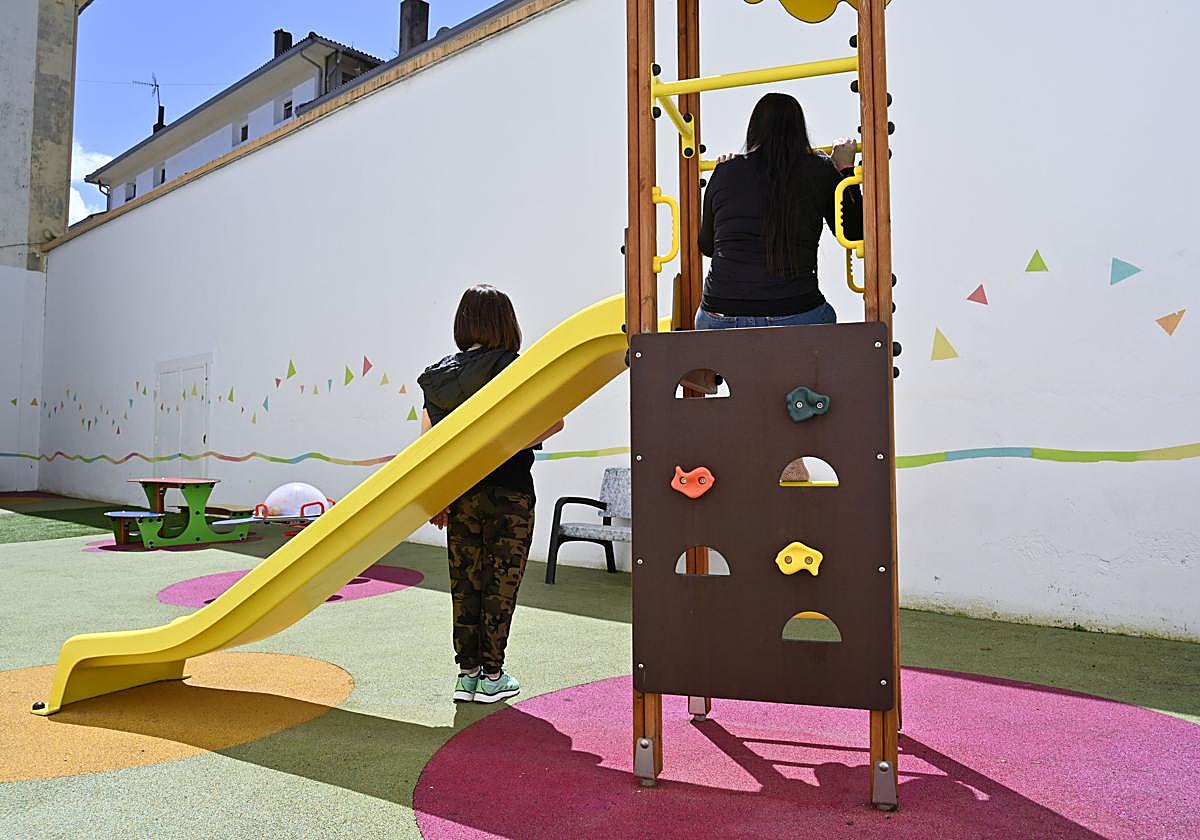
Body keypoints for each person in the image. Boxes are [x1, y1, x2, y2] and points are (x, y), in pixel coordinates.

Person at [417, 285, 564, 704]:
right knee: (501, 582)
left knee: (466, 582)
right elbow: (553, 422)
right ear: (506, 323)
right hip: (510, 491)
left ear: (463, 323)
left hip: (461, 493)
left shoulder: (436, 378)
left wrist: (439, 496)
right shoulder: (514, 368)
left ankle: (466, 675)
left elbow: (427, 445)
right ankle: (493, 675)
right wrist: (504, 443)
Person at [696, 92, 864, 330]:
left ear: (753, 130)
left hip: (720, 315)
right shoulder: (819, 170)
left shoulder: (724, 171)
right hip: (796, 311)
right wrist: (845, 170)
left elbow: (707, 246)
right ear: (799, 131)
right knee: (826, 320)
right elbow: (855, 232)